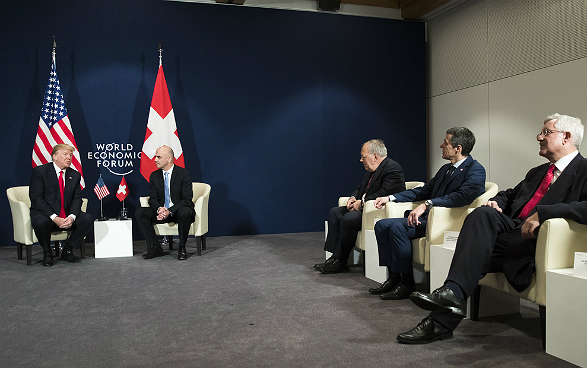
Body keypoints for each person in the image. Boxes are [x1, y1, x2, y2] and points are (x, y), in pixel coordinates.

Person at [400, 113, 587, 344]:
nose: (539, 136)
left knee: (473, 254)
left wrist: (545, 213)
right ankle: (448, 304)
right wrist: (496, 202)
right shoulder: (538, 172)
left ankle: (441, 320)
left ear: (566, 137)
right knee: (483, 214)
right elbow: (509, 194)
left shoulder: (584, 170)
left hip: (536, 241)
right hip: (511, 232)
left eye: (546, 132)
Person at [370, 127, 485, 300]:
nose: (441, 145)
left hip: (445, 222)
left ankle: (407, 283)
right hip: (428, 219)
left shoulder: (475, 170)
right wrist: (390, 198)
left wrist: (428, 204)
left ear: (458, 148)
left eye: (445, 143)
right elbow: (423, 191)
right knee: (381, 225)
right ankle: (394, 277)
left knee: (396, 228)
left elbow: (462, 196)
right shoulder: (446, 169)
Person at [317, 139, 406, 274]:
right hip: (364, 208)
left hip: (378, 211)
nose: (360, 160)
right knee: (335, 212)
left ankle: (341, 260)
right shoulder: (370, 171)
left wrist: (362, 202)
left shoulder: (393, 168)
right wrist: (353, 198)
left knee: (349, 218)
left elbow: (386, 193)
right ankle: (334, 256)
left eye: (363, 157)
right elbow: (360, 188)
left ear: (375, 156)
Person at [29, 144, 93, 267]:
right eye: (65, 154)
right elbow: (37, 199)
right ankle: (47, 253)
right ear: (55, 156)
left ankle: (68, 250)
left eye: (70, 155)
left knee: (87, 219)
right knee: (40, 222)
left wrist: (72, 216)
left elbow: (77, 199)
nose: (69, 157)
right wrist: (54, 217)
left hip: (66, 215)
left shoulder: (74, 175)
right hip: (47, 215)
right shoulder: (40, 172)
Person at [135, 145, 195, 260]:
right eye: (155, 157)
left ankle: (182, 248)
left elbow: (186, 199)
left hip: (177, 211)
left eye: (158, 157)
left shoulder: (184, 174)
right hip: (162, 212)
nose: (155, 160)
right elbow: (153, 199)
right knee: (140, 213)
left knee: (185, 211)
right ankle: (156, 247)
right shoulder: (154, 175)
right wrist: (160, 209)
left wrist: (170, 211)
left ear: (169, 159)